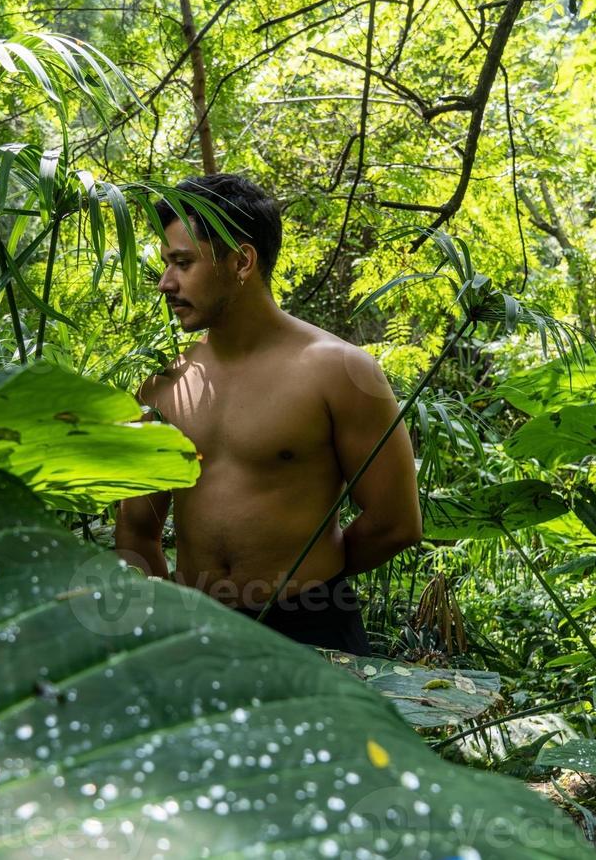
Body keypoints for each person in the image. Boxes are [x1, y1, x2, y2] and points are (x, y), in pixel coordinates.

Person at [115, 173, 421, 655]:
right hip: (198, 631)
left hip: (313, 629)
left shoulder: (339, 371)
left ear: (241, 261)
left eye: (183, 263)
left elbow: (396, 521)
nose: (165, 283)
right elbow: (135, 529)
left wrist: (306, 580)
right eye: (167, 263)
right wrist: (164, 629)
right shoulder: (163, 386)